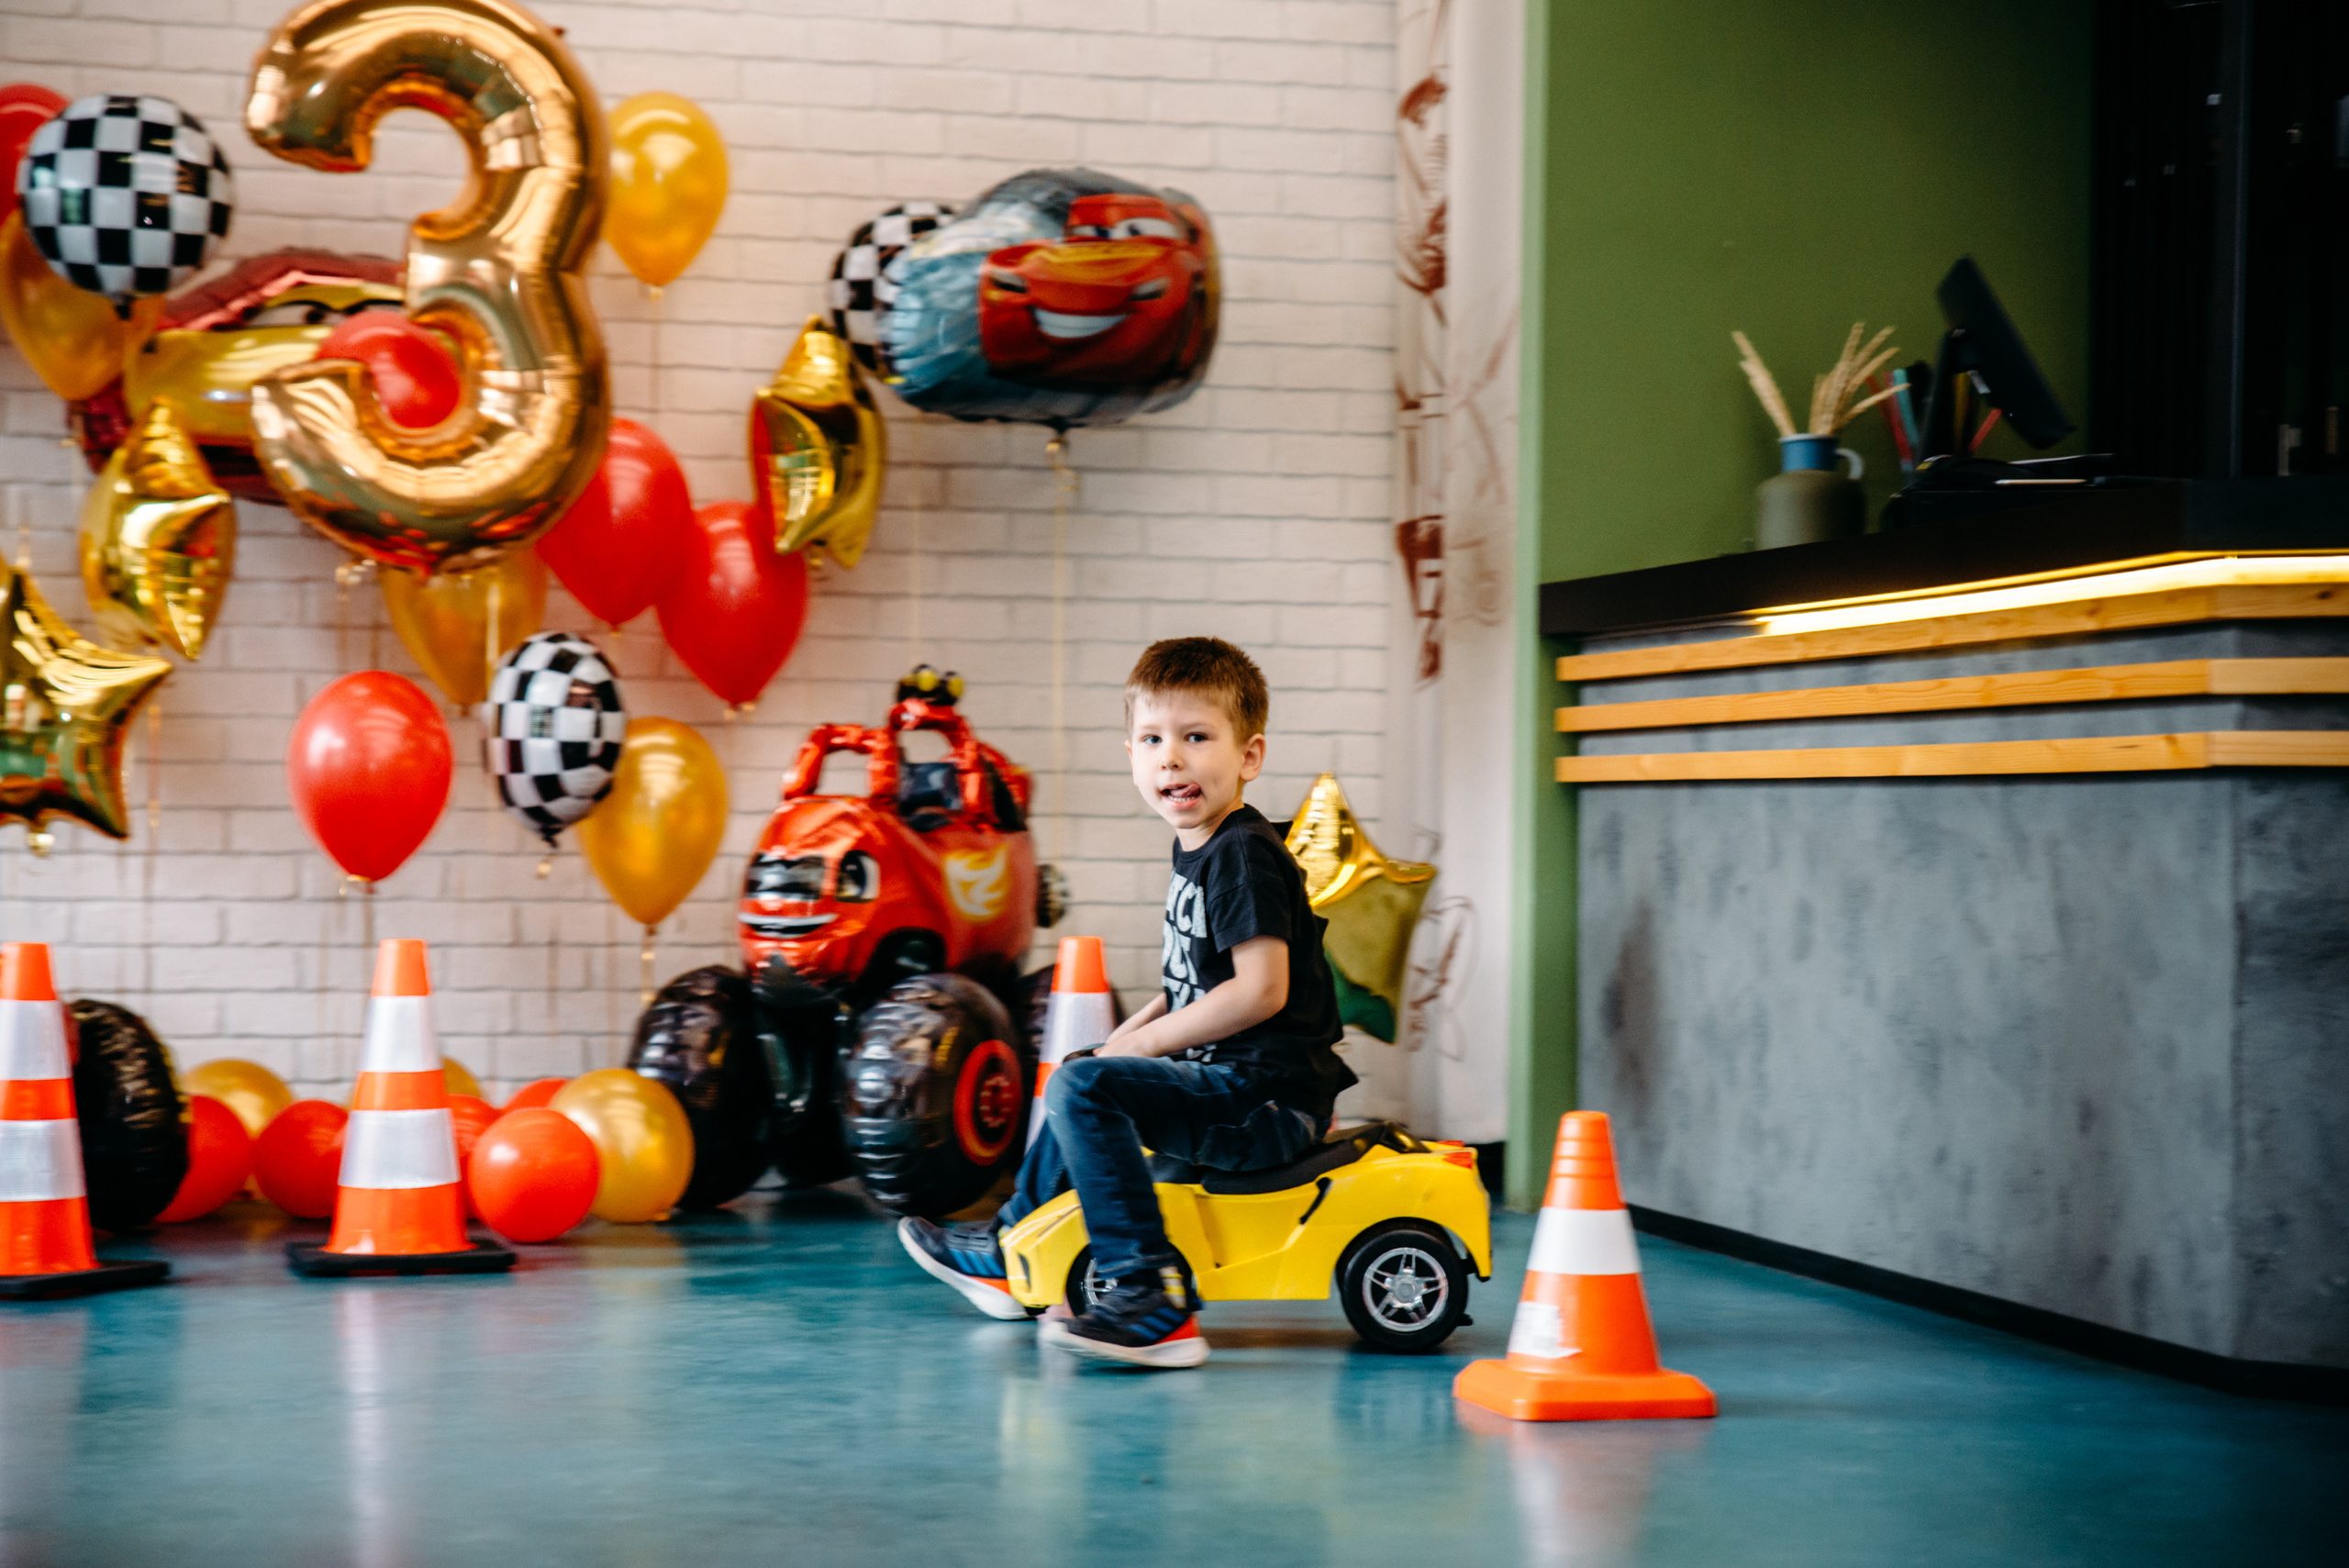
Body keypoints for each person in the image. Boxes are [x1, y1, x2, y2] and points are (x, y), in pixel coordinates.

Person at [899, 636, 1353, 1368]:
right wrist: (1122, 1039)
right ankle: (1013, 1247)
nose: (1171, 757)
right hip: (1230, 1085)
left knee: (1088, 1081)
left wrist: (1137, 1050)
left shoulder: (1243, 853)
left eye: (1196, 737)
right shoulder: (1201, 846)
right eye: (1152, 739)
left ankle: (1150, 1294)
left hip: (1265, 1101)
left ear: (1249, 756)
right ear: (1132, 756)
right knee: (1084, 1067)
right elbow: (1191, 989)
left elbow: (1262, 991)